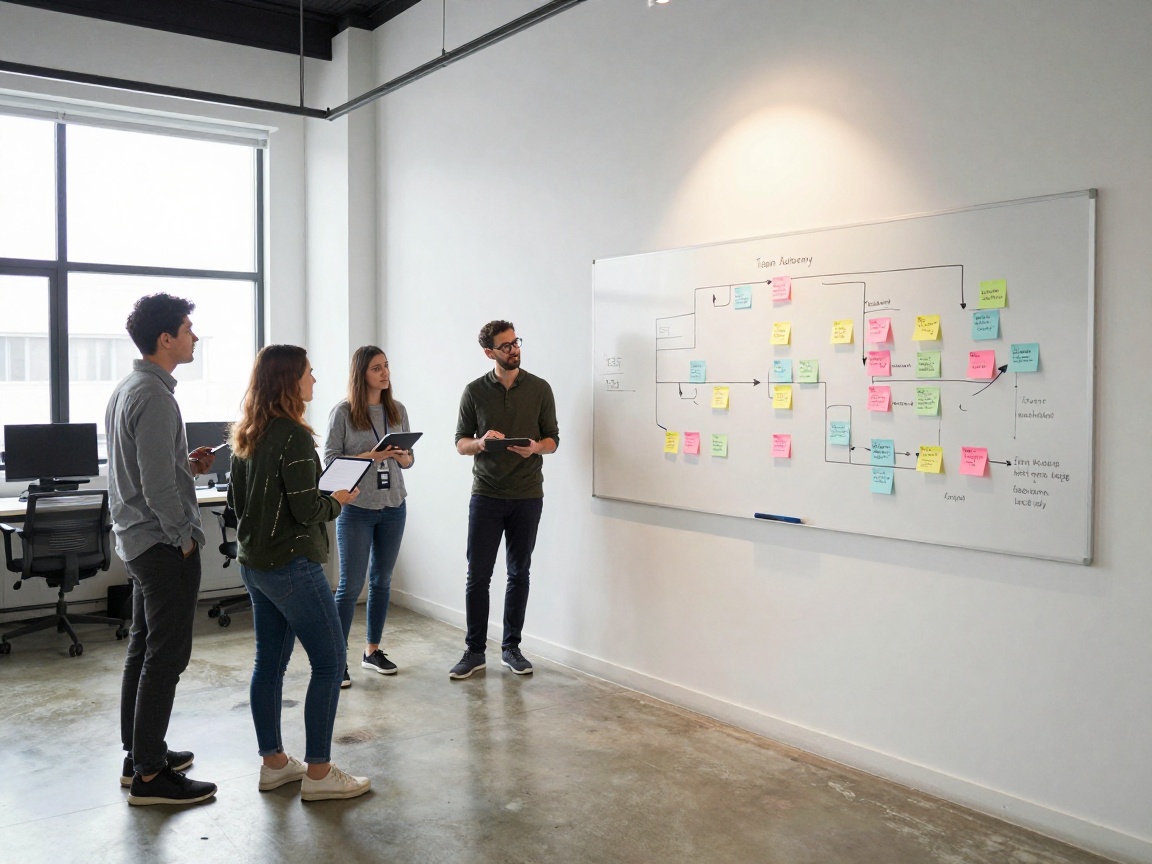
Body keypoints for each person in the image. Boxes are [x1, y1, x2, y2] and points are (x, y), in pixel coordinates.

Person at [228, 345, 371, 801]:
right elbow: (309, 508)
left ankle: (274, 764)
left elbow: (236, 505)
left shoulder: (247, 433)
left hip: (256, 566)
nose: (314, 381)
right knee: (329, 662)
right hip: (292, 566)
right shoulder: (292, 435)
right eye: (309, 374)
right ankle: (319, 773)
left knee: (268, 665)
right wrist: (339, 499)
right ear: (290, 382)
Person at [105, 292, 218, 806]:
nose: (194, 336)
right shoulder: (154, 395)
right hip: (160, 545)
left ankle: (139, 756)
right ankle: (151, 777)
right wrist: (185, 539)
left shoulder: (131, 388)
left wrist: (185, 467)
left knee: (142, 649)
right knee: (164, 657)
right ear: (165, 338)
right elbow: (154, 486)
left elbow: (149, 469)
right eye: (188, 329)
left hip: (136, 540)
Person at [450, 321, 559, 680]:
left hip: (528, 494)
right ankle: (474, 651)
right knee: (478, 576)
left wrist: (536, 448)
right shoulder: (474, 391)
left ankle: (511, 648)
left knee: (519, 573)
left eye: (516, 342)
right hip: (487, 494)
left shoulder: (540, 388)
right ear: (489, 353)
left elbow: (552, 439)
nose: (514, 349)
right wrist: (481, 442)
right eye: (506, 346)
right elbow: (460, 443)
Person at [324, 346, 414, 686]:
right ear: (362, 373)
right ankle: (334, 659)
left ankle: (372, 650)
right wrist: (372, 455)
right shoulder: (344, 412)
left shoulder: (397, 410)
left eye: (387, 366)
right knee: (349, 586)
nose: (385, 372)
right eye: (377, 367)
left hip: (394, 506)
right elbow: (331, 461)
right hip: (357, 509)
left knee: (382, 581)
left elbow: (409, 460)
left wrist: (402, 458)